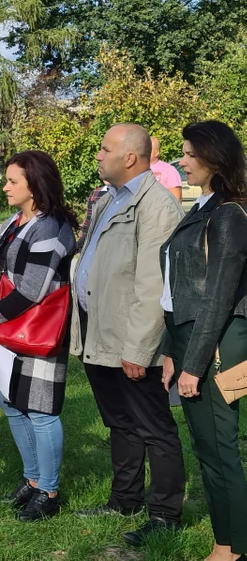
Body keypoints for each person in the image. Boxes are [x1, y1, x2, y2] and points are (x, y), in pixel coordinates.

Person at [71, 123, 185, 546]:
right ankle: (125, 499)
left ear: (130, 158)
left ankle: (166, 514)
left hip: (132, 340)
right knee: (120, 423)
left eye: (104, 149)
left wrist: (139, 348)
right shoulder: (110, 199)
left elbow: (153, 286)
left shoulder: (155, 206)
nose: (98, 155)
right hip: (101, 333)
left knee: (154, 426)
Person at [0, 151, 79, 522]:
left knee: (41, 411)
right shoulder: (12, 222)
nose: (4, 186)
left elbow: (32, 290)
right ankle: (33, 480)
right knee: (11, 405)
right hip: (10, 329)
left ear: (34, 186)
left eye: (12, 180)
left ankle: (49, 491)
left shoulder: (51, 228)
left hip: (40, 333)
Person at [160, 120, 247, 561]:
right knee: (208, 448)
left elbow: (217, 298)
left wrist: (193, 362)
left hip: (214, 345)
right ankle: (228, 541)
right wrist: (172, 354)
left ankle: (231, 547)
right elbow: (178, 290)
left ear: (215, 157)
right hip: (192, 342)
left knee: (218, 449)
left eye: (189, 153)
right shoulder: (206, 206)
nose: (182, 160)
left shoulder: (229, 215)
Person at [150, 136, 183, 202]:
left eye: (148, 149)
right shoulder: (136, 169)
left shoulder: (169, 170)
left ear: (156, 153)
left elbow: (176, 199)